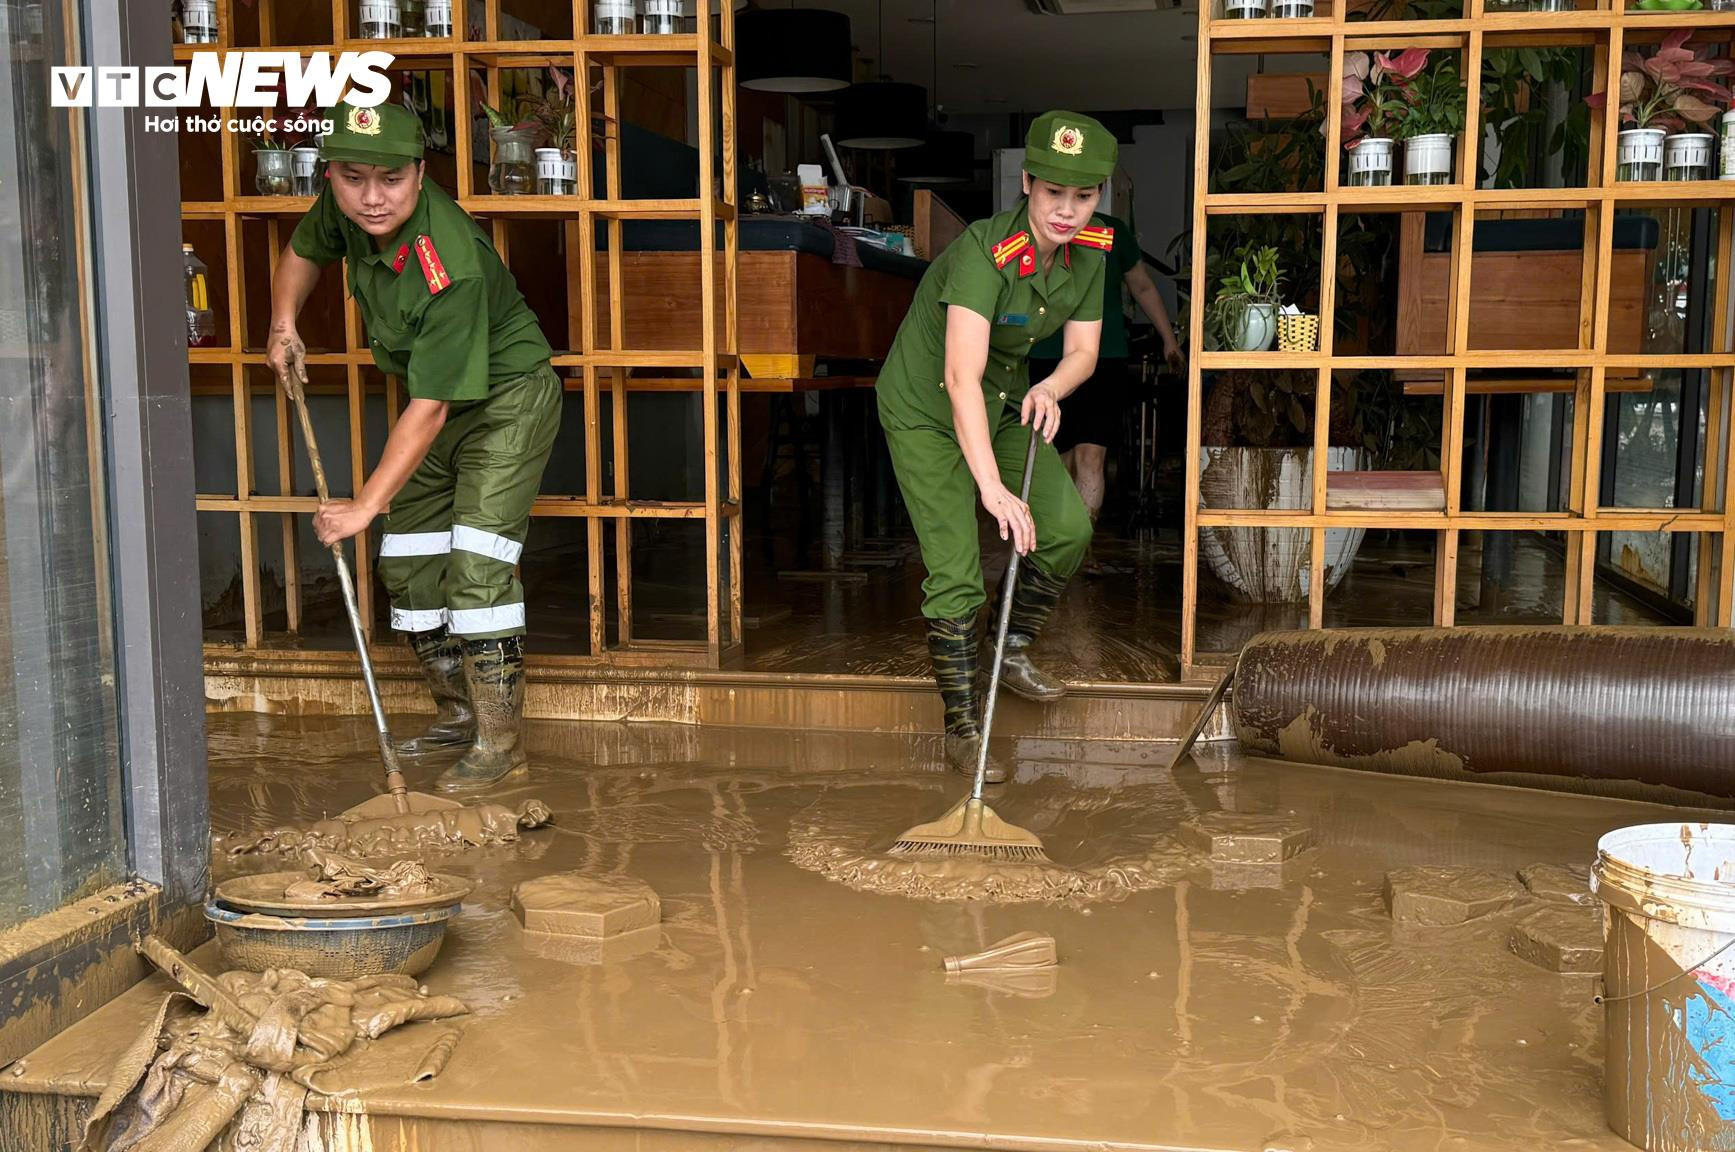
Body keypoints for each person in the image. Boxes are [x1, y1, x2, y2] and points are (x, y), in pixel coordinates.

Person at [266, 100, 561, 792]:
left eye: (392, 180)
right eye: (353, 177)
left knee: (478, 568)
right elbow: (304, 251)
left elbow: (428, 409)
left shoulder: (447, 264)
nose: (372, 197)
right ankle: (458, 714)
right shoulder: (348, 205)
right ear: (332, 173)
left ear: (420, 174)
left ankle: (500, 744)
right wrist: (284, 323)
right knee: (408, 562)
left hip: (505, 402)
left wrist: (365, 504)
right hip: (436, 405)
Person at [876, 110, 1119, 783]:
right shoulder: (986, 250)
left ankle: (1005, 650)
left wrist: (1051, 387)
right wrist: (990, 488)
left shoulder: (1091, 251)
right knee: (955, 567)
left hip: (1004, 399)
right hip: (927, 407)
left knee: (1066, 529)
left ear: (1098, 195)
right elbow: (958, 376)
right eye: (1053, 194)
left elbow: (1083, 350)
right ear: (1027, 183)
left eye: (1083, 196)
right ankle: (961, 727)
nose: (1067, 212)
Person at [1027, 210, 1180, 574]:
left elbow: (1141, 285)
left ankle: (1079, 550)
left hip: (1101, 355)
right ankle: (1060, 549)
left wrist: (1169, 340)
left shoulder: (1111, 232)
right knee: (1055, 460)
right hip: (1043, 353)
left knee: (1091, 456)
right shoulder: (1030, 227)